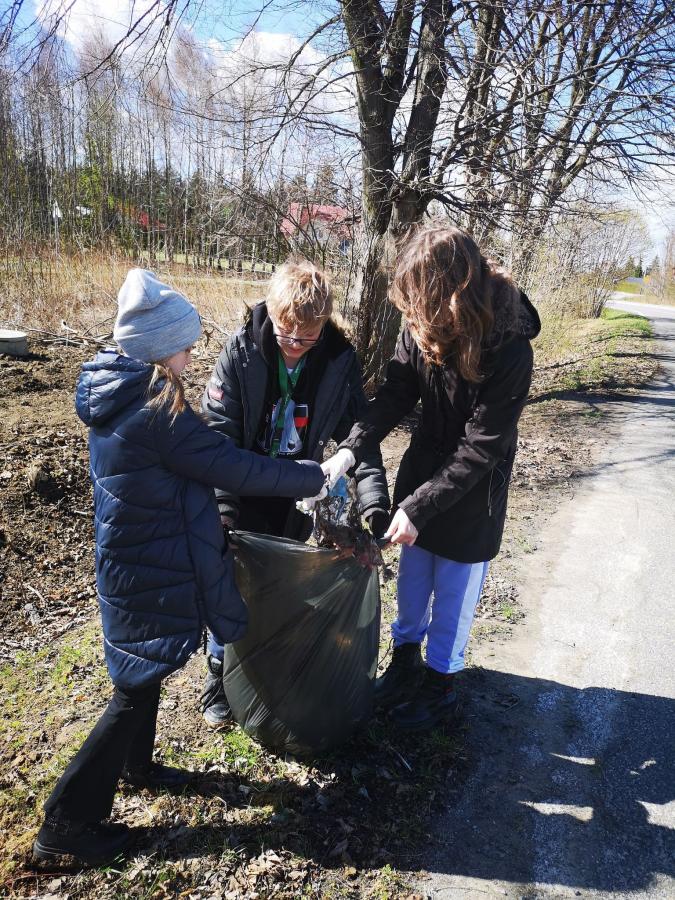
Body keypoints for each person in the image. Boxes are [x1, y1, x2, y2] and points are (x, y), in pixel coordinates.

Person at [32, 269, 324, 867]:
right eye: (186, 345)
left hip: (134, 557)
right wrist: (311, 476)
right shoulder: (156, 411)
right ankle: (66, 824)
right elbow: (233, 466)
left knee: (144, 672)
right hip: (152, 564)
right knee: (132, 691)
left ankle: (136, 768)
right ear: (161, 348)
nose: (193, 355)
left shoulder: (119, 389)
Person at [321, 224, 541, 731]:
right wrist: (350, 450)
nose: (414, 315)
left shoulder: (509, 348)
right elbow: (395, 395)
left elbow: (482, 446)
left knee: (454, 594)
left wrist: (419, 506)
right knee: (414, 582)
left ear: (453, 296)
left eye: (422, 302)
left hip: (473, 493)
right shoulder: (420, 325)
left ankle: (441, 685)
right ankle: (405, 664)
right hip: (422, 473)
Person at [199, 258, 390, 726]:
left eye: (308, 337)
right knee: (230, 588)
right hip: (242, 490)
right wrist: (223, 513)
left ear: (324, 326)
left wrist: (374, 504)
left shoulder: (338, 362)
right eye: (287, 334)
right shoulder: (241, 353)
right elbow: (219, 441)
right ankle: (218, 677)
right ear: (272, 312)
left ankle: (261, 668)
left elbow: (360, 439)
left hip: (297, 497)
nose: (295, 345)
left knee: (279, 587)